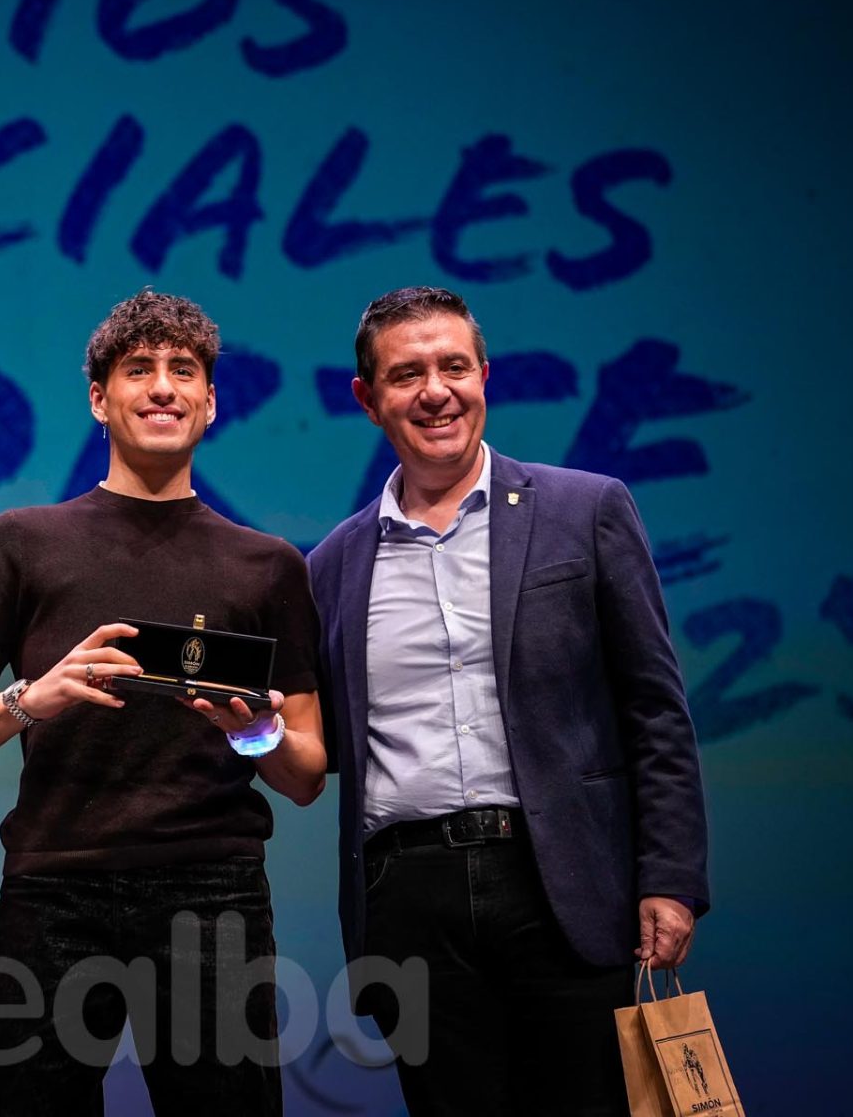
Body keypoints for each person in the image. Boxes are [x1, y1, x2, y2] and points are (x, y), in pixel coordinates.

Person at [0, 290, 327, 1115]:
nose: (163, 387)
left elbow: (308, 771)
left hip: (212, 890)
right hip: (54, 887)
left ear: (211, 401)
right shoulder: (22, 542)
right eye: (139, 369)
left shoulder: (269, 565)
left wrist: (257, 732)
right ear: (100, 399)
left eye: (184, 370)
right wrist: (31, 698)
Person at [307, 285, 710, 1115]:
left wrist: (670, 877)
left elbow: (655, 710)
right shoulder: (333, 565)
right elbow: (320, 742)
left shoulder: (586, 510)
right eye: (407, 374)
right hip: (410, 901)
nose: (436, 391)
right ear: (368, 399)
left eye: (454, 367)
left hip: (563, 881)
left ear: (484, 377)